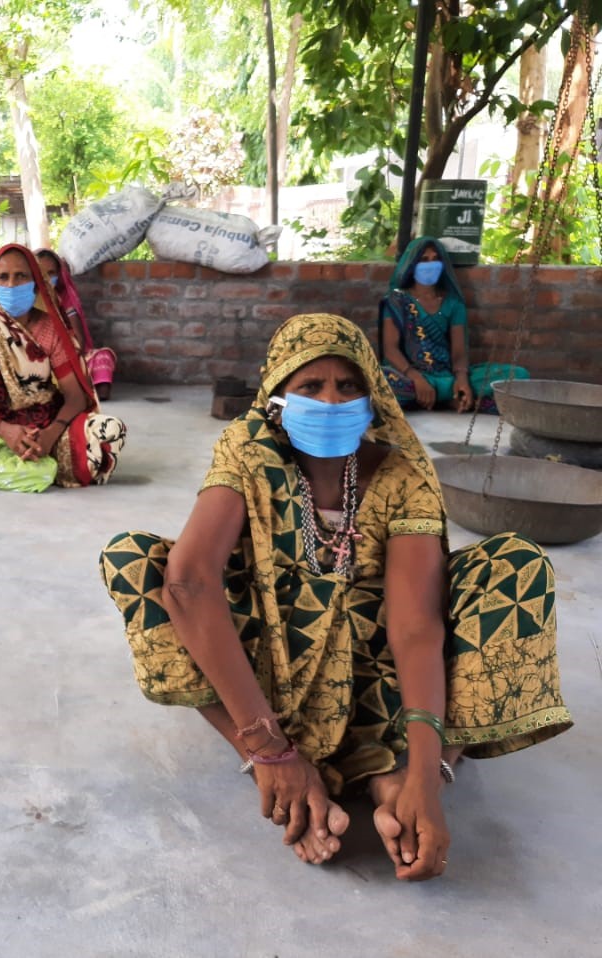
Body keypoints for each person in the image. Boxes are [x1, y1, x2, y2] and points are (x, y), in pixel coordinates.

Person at [100, 313, 571, 879]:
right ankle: (281, 767)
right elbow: (190, 581)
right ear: (277, 395)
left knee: (514, 566)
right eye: (310, 386)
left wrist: (427, 777)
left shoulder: (402, 474)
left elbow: (416, 627)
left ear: (372, 395)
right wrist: (269, 749)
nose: (330, 400)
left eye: (348, 385)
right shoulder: (251, 453)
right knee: (136, 562)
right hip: (271, 671)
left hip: (380, 678)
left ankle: (406, 775)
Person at [0, 243, 126, 487]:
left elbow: (75, 397)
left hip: (48, 426)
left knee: (110, 429)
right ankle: (30, 458)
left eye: (21, 276)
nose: (11, 285)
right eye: (3, 277)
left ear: (35, 282)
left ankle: (8, 459)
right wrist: (5, 430)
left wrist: (50, 435)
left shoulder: (51, 329)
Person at [380, 236, 528, 412]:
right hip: (411, 377)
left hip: (447, 376)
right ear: (411, 265)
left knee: (517, 375)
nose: (431, 264)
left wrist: (462, 379)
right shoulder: (396, 301)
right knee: (380, 380)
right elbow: (390, 349)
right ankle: (451, 399)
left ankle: (446, 396)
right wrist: (416, 378)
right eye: (424, 259)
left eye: (436, 259)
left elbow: (459, 352)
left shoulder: (453, 303)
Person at [35, 248, 117, 400]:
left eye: (51, 273)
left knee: (102, 357)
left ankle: (85, 390)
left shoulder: (65, 300)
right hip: (37, 356)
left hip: (67, 353)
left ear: (59, 275)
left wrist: (65, 352)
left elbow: (79, 341)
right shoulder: (28, 300)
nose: (46, 277)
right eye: (41, 272)